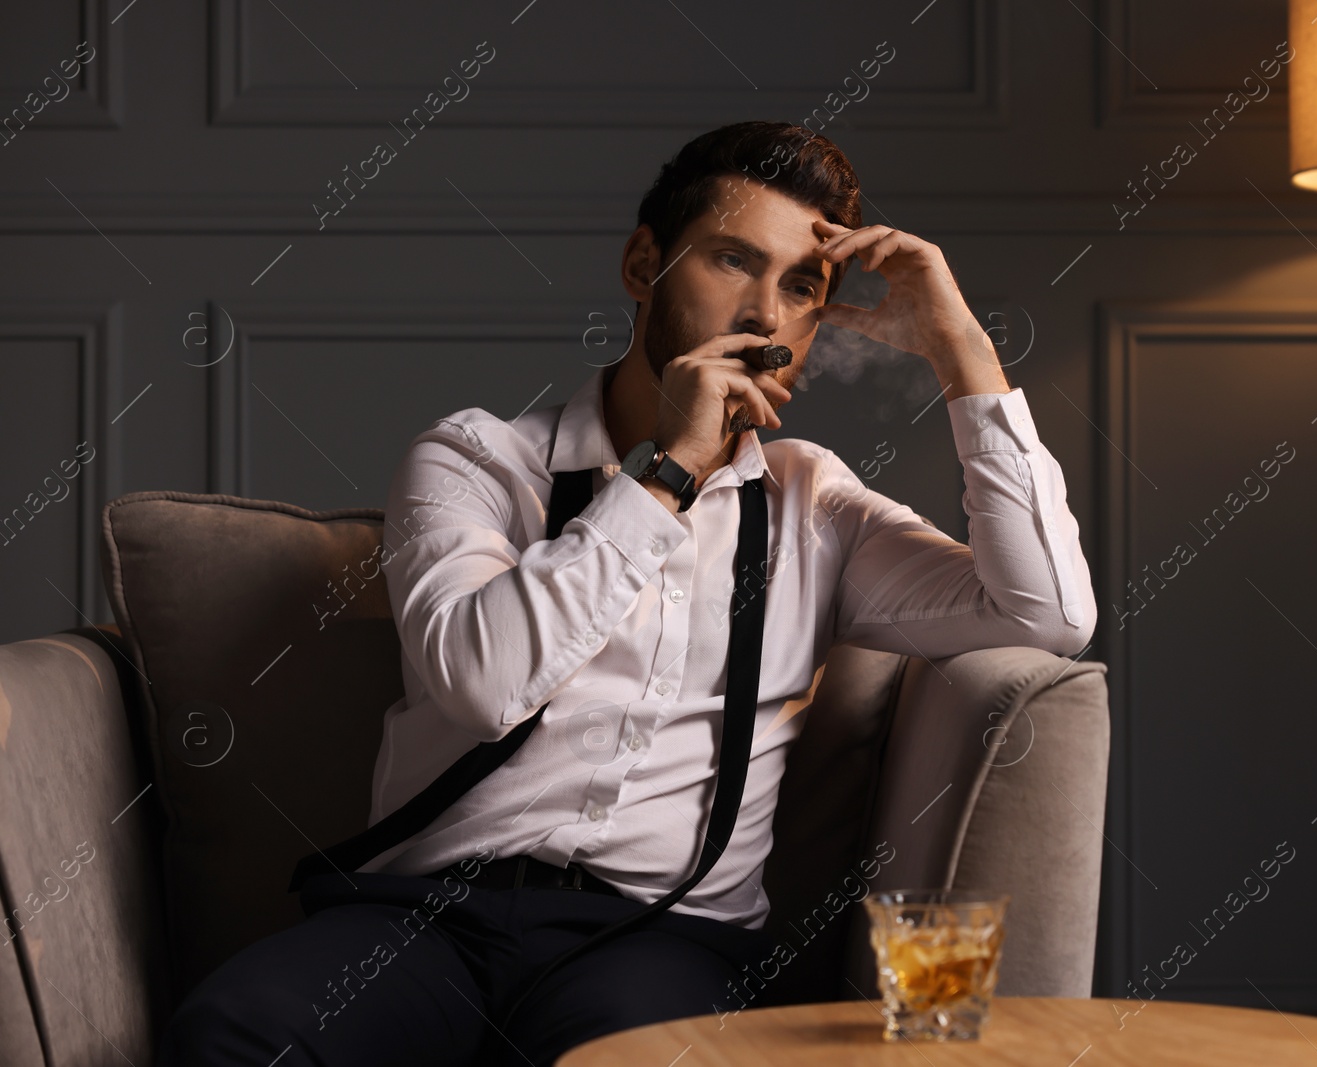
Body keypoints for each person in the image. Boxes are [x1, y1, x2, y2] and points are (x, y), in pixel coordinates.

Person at [157, 120, 1095, 1066]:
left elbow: (1046, 614)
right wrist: (669, 473)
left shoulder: (816, 505)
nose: (767, 316)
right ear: (644, 263)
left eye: (802, 287)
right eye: (733, 260)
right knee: (238, 1034)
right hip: (424, 919)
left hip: (664, 936)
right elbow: (484, 684)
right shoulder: (477, 460)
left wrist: (960, 348)